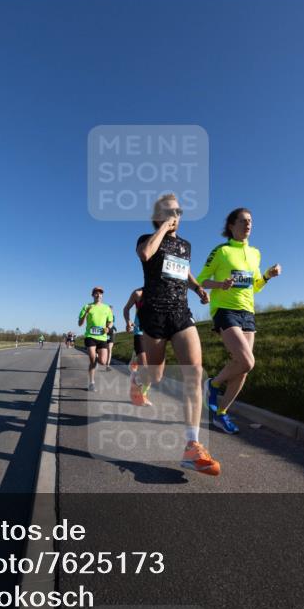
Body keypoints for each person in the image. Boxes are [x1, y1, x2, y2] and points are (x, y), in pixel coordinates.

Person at [134, 193, 220, 476]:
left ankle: (192, 445)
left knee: (194, 373)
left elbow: (184, 270)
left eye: (179, 211)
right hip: (154, 315)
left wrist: (196, 287)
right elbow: (146, 254)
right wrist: (162, 228)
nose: (176, 215)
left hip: (181, 313)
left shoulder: (185, 245)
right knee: (155, 376)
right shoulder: (146, 238)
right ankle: (140, 379)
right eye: (170, 211)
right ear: (158, 215)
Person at [197, 207, 281, 434]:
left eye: (250, 221)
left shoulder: (255, 253)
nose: (248, 225)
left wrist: (266, 277)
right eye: (243, 221)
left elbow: (254, 287)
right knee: (247, 361)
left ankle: (221, 414)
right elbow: (201, 280)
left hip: (248, 311)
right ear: (231, 226)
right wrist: (220, 284)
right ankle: (212, 384)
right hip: (225, 310)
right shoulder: (221, 251)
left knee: (243, 368)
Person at [78, 287, 114, 391]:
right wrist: (86, 313)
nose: (98, 295)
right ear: (92, 295)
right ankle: (92, 383)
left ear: (102, 296)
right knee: (93, 360)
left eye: (100, 294)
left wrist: (108, 327)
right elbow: (80, 324)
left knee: (103, 362)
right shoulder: (87, 306)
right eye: (96, 293)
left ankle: (97, 357)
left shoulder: (106, 308)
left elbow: (110, 321)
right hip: (90, 336)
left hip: (102, 337)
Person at [122, 287, 152, 406]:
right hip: (139, 332)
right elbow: (126, 308)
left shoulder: (164, 292)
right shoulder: (138, 293)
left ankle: (133, 367)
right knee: (146, 368)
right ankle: (142, 395)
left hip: (155, 334)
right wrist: (128, 321)